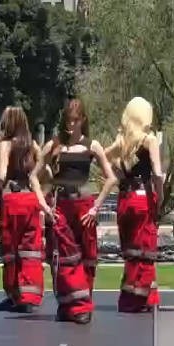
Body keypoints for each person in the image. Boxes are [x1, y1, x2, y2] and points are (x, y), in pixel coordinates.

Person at [30, 99, 116, 324]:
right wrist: (44, 205)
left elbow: (111, 178)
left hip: (85, 206)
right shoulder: (54, 145)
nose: (71, 124)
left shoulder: (92, 146)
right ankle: (71, 306)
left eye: (75, 120)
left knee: (87, 256)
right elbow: (33, 177)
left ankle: (81, 304)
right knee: (64, 257)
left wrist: (96, 207)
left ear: (83, 120)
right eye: (68, 120)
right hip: (61, 206)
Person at [105, 97, 163, 312]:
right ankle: (138, 297)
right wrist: (160, 196)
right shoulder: (149, 140)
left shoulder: (122, 140)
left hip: (125, 197)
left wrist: (118, 171)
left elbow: (102, 155)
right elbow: (157, 173)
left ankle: (143, 297)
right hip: (143, 197)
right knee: (145, 250)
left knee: (131, 251)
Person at [0, 106, 43, 314]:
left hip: (12, 200)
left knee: (10, 249)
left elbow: (3, 172)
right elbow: (46, 167)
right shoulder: (32, 144)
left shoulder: (5, 143)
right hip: (30, 199)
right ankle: (29, 295)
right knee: (29, 248)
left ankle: (14, 295)